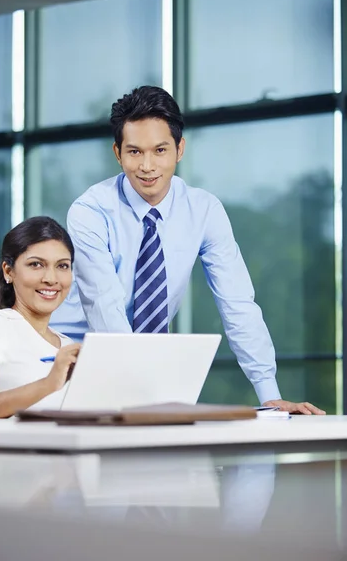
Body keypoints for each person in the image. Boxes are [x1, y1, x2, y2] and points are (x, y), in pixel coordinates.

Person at [51, 85, 324, 415]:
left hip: (141, 365)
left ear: (180, 149)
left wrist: (268, 393)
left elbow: (238, 303)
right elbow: (104, 305)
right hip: (69, 355)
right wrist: (138, 390)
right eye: (134, 152)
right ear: (117, 153)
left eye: (160, 150)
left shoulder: (204, 210)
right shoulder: (90, 211)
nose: (147, 166)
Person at [0, 216, 81, 419]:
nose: (51, 279)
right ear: (9, 271)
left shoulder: (67, 346)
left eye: (62, 266)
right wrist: (49, 383)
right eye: (36, 265)